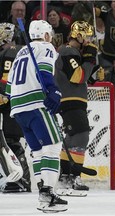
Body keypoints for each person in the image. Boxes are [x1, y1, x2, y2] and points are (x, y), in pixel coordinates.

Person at [5, 20, 67, 212]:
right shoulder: (46, 47)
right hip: (35, 104)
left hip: (18, 108)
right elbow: (45, 71)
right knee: (53, 146)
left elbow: (8, 88)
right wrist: (53, 90)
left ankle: (42, 193)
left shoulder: (20, 53)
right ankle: (48, 193)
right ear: (47, 35)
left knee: (39, 151)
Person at [55, 21, 104, 196]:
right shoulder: (69, 51)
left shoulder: (73, 53)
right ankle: (74, 177)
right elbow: (77, 76)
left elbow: (82, 77)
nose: (90, 40)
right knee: (82, 135)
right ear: (80, 36)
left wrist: (92, 70)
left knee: (72, 137)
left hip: (71, 99)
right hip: (71, 99)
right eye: (88, 36)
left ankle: (65, 177)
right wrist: (90, 59)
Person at [0, 22, 31, 193]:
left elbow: (6, 82)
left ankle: (20, 180)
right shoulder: (17, 52)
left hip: (8, 105)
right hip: (16, 103)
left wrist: (5, 96)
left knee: (10, 141)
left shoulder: (10, 53)